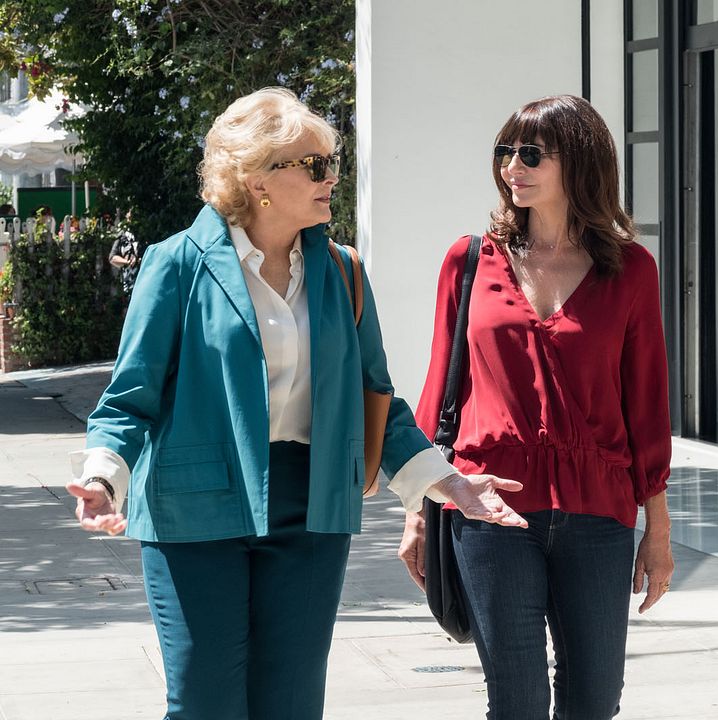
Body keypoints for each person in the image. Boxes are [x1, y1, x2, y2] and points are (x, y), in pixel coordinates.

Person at [65, 87, 526, 720]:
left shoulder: (341, 272)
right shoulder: (176, 266)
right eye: (312, 164)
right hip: (195, 511)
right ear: (256, 178)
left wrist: (448, 485)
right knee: (206, 703)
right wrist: (103, 478)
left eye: (330, 162)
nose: (330, 177)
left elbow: (379, 403)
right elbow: (129, 398)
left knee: (291, 703)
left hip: (312, 507)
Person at [398, 94, 675, 719]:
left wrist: (657, 529)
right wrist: (419, 507)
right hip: (489, 505)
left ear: (579, 163)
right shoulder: (469, 261)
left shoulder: (630, 270)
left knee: (593, 701)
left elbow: (647, 405)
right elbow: (440, 384)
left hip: (599, 510)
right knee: (515, 702)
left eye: (530, 154)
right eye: (504, 152)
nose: (511, 167)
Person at [109, 210, 144, 294]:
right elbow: (112, 258)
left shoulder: (144, 232)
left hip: (145, 278)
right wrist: (127, 261)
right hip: (129, 280)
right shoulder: (122, 235)